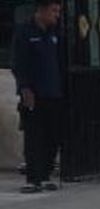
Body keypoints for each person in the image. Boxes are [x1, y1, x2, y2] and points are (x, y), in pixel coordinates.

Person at [11, 0, 64, 194]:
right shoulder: (25, 32)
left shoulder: (56, 34)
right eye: (53, 11)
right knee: (34, 137)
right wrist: (25, 89)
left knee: (52, 137)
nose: (56, 15)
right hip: (33, 95)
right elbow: (18, 63)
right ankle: (33, 178)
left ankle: (45, 176)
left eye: (58, 11)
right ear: (41, 10)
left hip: (54, 94)